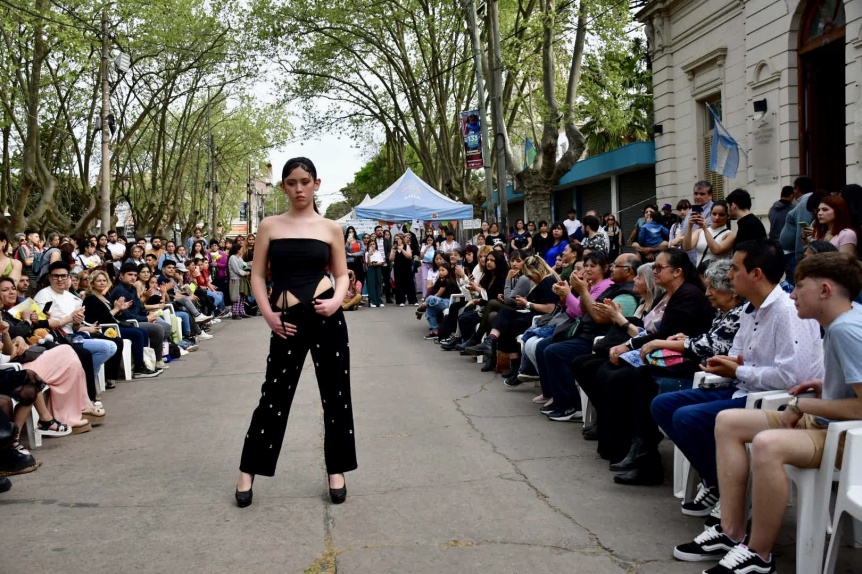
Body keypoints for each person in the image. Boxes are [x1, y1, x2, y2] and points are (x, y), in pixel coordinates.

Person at [672, 252, 862, 574]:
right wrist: (824, 383)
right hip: (827, 424)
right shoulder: (846, 318)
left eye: (800, 286)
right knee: (728, 421)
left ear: (825, 291)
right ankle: (730, 532)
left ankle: (759, 555)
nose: (792, 294)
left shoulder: (845, 329)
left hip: (846, 438)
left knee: (767, 445)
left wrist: (803, 405)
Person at [651, 240, 824, 518]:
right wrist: (724, 365)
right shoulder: (748, 310)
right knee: (663, 405)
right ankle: (719, 482)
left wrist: (737, 370)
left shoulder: (787, 312)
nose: (729, 276)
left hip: (773, 401)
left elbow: (792, 378)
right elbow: (738, 356)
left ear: (755, 274)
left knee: (687, 417)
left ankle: (730, 491)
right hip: (741, 389)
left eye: (734, 268)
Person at [236, 157, 355, 508]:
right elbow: (257, 276)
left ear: (316, 184)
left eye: (305, 181)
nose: (299, 188)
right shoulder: (270, 225)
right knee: (273, 397)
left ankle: (337, 469)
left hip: (326, 316)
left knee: (336, 395)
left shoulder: (331, 227)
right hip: (285, 321)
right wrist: (268, 315)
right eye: (291, 182)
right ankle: (248, 470)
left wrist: (336, 300)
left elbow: (343, 274)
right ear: (284, 187)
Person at [83, 270, 161, 378]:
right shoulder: (91, 298)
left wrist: (120, 310)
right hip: (103, 329)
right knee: (136, 333)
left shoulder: (103, 297)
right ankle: (139, 368)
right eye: (99, 281)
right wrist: (116, 309)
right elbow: (102, 319)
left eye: (104, 280)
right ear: (92, 283)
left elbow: (111, 315)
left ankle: (145, 363)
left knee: (142, 331)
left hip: (113, 325)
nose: (102, 283)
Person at [778, 175, 816, 284]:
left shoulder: (804, 203)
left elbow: (802, 229)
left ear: (797, 189)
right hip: (792, 253)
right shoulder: (803, 202)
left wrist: (800, 256)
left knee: (794, 284)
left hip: (794, 255)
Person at [683, 200, 734, 267]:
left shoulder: (730, 235)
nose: (717, 218)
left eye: (722, 215)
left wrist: (705, 228)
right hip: (699, 273)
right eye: (714, 214)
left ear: (728, 216)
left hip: (717, 275)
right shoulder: (699, 232)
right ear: (710, 214)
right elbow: (687, 247)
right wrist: (689, 226)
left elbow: (716, 250)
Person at [389, 234, 416, 306]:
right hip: (397, 267)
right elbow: (391, 259)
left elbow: (409, 256)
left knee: (410, 283)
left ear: (401, 239)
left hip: (406, 267)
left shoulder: (406, 246)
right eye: (395, 239)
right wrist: (394, 252)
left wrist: (402, 250)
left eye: (398, 238)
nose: (397, 240)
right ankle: (401, 300)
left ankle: (413, 300)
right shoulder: (393, 248)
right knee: (399, 283)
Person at [228, 244, 251, 319]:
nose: (242, 250)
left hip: (241, 279)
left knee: (242, 296)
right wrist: (245, 273)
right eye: (241, 249)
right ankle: (235, 313)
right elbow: (236, 269)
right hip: (235, 279)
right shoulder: (232, 258)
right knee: (236, 296)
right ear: (238, 250)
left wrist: (247, 269)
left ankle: (241, 312)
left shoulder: (239, 258)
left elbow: (244, 266)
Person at [365, 240, 385, 308]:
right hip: (371, 269)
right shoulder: (367, 253)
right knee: (371, 284)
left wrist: (376, 263)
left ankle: (379, 301)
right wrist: (369, 256)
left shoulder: (378, 252)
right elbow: (368, 263)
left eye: (373, 244)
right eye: (371, 244)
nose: (372, 245)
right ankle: (372, 301)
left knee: (378, 284)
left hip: (378, 268)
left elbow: (382, 262)